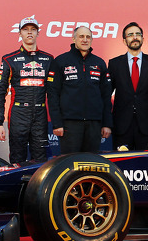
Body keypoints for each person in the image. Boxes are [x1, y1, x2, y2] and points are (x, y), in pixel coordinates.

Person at [0, 16, 54, 164]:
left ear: (38, 33)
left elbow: (54, 92)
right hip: (19, 114)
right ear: (20, 33)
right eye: (25, 29)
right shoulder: (9, 59)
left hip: (40, 115)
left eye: (33, 29)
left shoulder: (49, 59)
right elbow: (0, 92)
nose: (29, 33)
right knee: (17, 159)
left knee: (40, 160)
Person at [46, 25, 112, 154]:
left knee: (91, 162)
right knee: (70, 163)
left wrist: (107, 124)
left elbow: (106, 96)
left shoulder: (100, 63)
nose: (85, 40)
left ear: (92, 40)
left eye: (88, 37)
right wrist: (57, 123)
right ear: (74, 39)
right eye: (81, 36)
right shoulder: (60, 61)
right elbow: (53, 94)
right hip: (69, 124)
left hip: (94, 124)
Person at [108, 22, 148, 150]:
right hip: (121, 125)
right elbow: (106, 94)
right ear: (124, 40)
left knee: (146, 166)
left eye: (138, 34)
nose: (135, 37)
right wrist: (106, 122)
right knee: (122, 166)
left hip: (147, 126)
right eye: (130, 35)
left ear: (143, 38)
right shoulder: (114, 64)